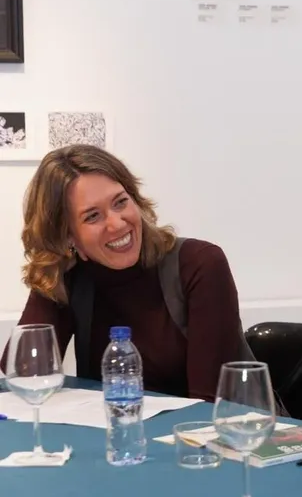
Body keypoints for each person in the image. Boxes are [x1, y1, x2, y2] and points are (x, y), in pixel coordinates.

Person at [2, 144, 253, 402]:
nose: (117, 223)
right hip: (119, 433)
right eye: (92, 216)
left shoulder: (199, 263)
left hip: (217, 435)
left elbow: (209, 405)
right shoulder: (72, 275)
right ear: (67, 235)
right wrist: (51, 272)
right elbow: (23, 378)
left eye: (120, 202)